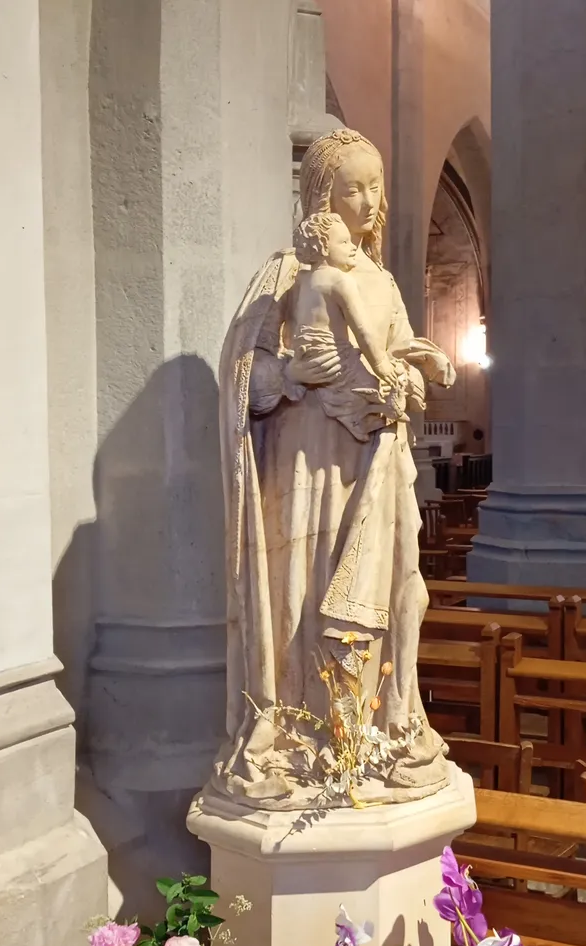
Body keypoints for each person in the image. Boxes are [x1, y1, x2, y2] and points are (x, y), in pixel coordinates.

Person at [214, 129, 456, 807]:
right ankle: (304, 733)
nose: (372, 200)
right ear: (323, 195)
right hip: (306, 465)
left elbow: (401, 352)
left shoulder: (379, 279)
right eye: (356, 186)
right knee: (303, 590)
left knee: (392, 588)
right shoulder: (284, 277)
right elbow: (242, 372)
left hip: (375, 459)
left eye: (377, 185)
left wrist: (415, 376)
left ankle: (380, 723)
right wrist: (287, 372)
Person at [291, 210, 407, 441]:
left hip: (306, 356)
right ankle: (357, 422)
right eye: (344, 242)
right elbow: (362, 329)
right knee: (372, 390)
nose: (352, 246)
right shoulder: (340, 280)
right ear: (323, 248)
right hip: (334, 357)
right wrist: (381, 364)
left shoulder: (300, 281)